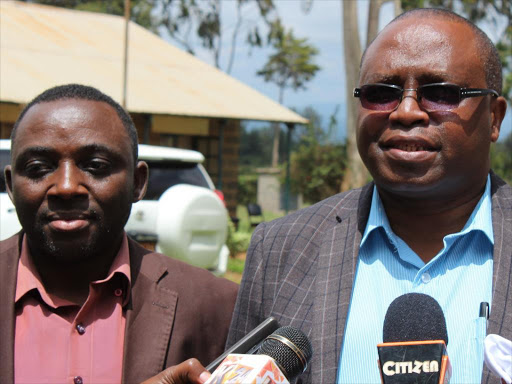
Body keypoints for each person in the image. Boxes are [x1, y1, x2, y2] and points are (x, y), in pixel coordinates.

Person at [226, 8, 510, 384]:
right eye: (381, 93)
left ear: (494, 117)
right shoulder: (281, 249)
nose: (406, 112)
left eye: (440, 93)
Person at [0, 84, 238, 384]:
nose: (66, 187)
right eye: (38, 168)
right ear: (10, 185)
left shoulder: (214, 305)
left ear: (138, 183)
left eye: (96, 166)